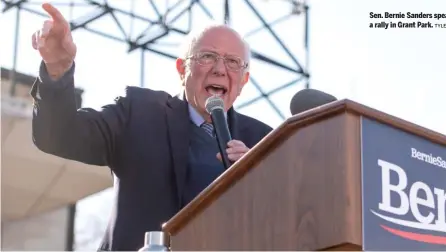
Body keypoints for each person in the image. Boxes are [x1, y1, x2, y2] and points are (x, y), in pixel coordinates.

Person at [30, 2, 273, 251]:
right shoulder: (139, 113)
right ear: (182, 69)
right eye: (208, 56)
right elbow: (59, 135)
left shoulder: (264, 142)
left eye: (233, 62)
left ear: (244, 80)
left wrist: (261, 184)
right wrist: (57, 70)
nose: (220, 69)